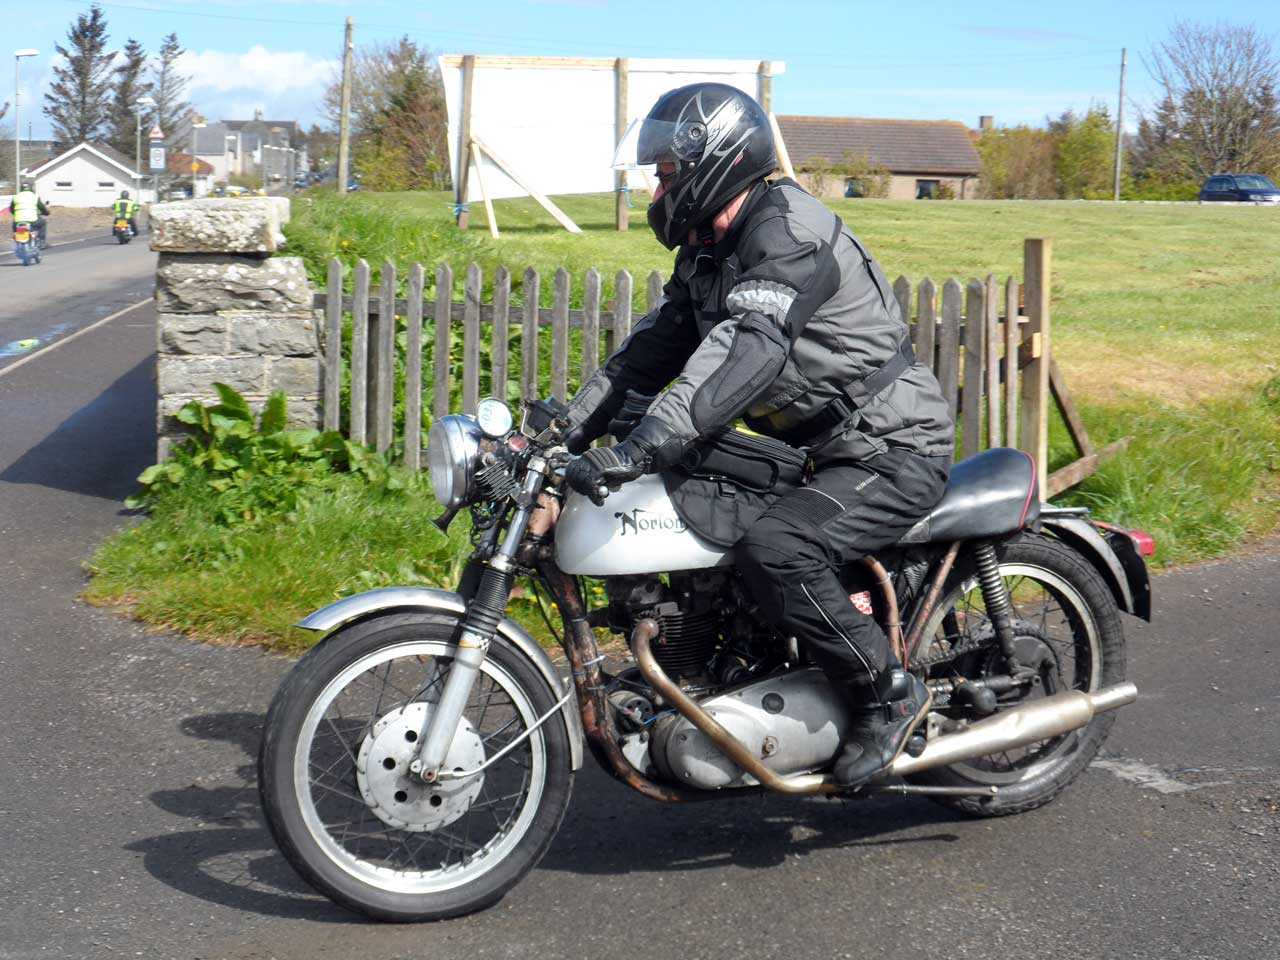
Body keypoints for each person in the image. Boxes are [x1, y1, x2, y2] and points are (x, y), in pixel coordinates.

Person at [561, 83, 955, 788]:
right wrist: (566, 432)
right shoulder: (710, 247)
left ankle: (885, 692)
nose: (658, 187)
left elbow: (750, 347)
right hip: (821, 451)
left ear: (716, 159)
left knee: (776, 548)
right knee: (682, 490)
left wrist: (649, 441)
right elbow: (652, 350)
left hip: (891, 448)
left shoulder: (787, 233)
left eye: (666, 172)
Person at [8, 181, 50, 247]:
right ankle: (42, 241)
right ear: (31, 188)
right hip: (32, 221)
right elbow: (42, 207)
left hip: (18, 221)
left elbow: (11, 209)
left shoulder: (16, 197)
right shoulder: (35, 196)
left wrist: (16, 214)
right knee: (43, 222)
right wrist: (46, 212)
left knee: (14, 226)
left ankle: (15, 240)